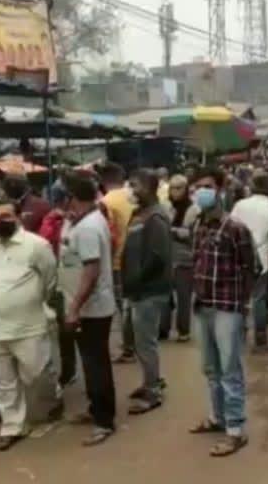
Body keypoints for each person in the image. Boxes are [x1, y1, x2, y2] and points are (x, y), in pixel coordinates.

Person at [0, 199, 60, 451]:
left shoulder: (36, 245)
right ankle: (12, 426)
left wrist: (37, 303)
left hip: (28, 324)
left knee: (37, 374)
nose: (0, 221)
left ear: (18, 218)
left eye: (6, 216)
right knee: (3, 381)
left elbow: (50, 279)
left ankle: (48, 406)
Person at [189, 166, 254, 457]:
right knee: (211, 368)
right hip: (204, 306)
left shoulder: (236, 228)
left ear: (220, 189)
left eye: (206, 186)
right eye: (197, 187)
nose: (201, 192)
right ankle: (218, 418)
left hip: (228, 307)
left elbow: (250, 268)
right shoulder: (199, 226)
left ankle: (235, 430)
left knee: (230, 369)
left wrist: (244, 306)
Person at [59, 172, 117, 446]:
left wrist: (74, 308)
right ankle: (96, 409)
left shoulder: (90, 228)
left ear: (73, 197)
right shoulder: (86, 222)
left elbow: (91, 271)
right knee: (92, 361)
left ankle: (104, 420)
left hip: (92, 308)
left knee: (96, 364)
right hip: (88, 305)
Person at [122, 169, 172, 414]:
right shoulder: (139, 213)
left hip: (149, 290)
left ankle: (153, 391)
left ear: (150, 188)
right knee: (140, 341)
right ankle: (149, 381)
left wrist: (137, 282)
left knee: (145, 342)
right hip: (137, 289)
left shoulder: (156, 217)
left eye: (135, 186)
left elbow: (158, 257)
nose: (131, 191)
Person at [231, 170, 268, 353]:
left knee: (239, 297)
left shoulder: (239, 205)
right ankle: (260, 339)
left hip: (237, 257)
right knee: (259, 298)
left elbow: (229, 230)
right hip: (261, 258)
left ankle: (237, 335)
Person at [38, 182, 78, 388]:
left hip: (70, 278)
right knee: (61, 328)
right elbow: (45, 242)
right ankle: (66, 369)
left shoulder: (81, 219)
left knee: (67, 328)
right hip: (55, 278)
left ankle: (69, 369)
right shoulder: (53, 219)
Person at [98, 162, 135, 364]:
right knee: (132, 304)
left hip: (118, 261)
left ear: (103, 182)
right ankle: (134, 343)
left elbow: (108, 235)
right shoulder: (134, 196)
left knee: (123, 306)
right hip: (136, 258)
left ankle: (129, 348)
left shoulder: (106, 202)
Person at [165, 174, 199, 342]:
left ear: (186, 189)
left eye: (179, 188)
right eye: (172, 187)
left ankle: (183, 330)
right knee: (164, 296)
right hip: (166, 258)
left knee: (184, 297)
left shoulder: (194, 209)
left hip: (185, 258)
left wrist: (174, 231)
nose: (175, 191)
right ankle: (163, 329)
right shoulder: (166, 208)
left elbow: (195, 234)